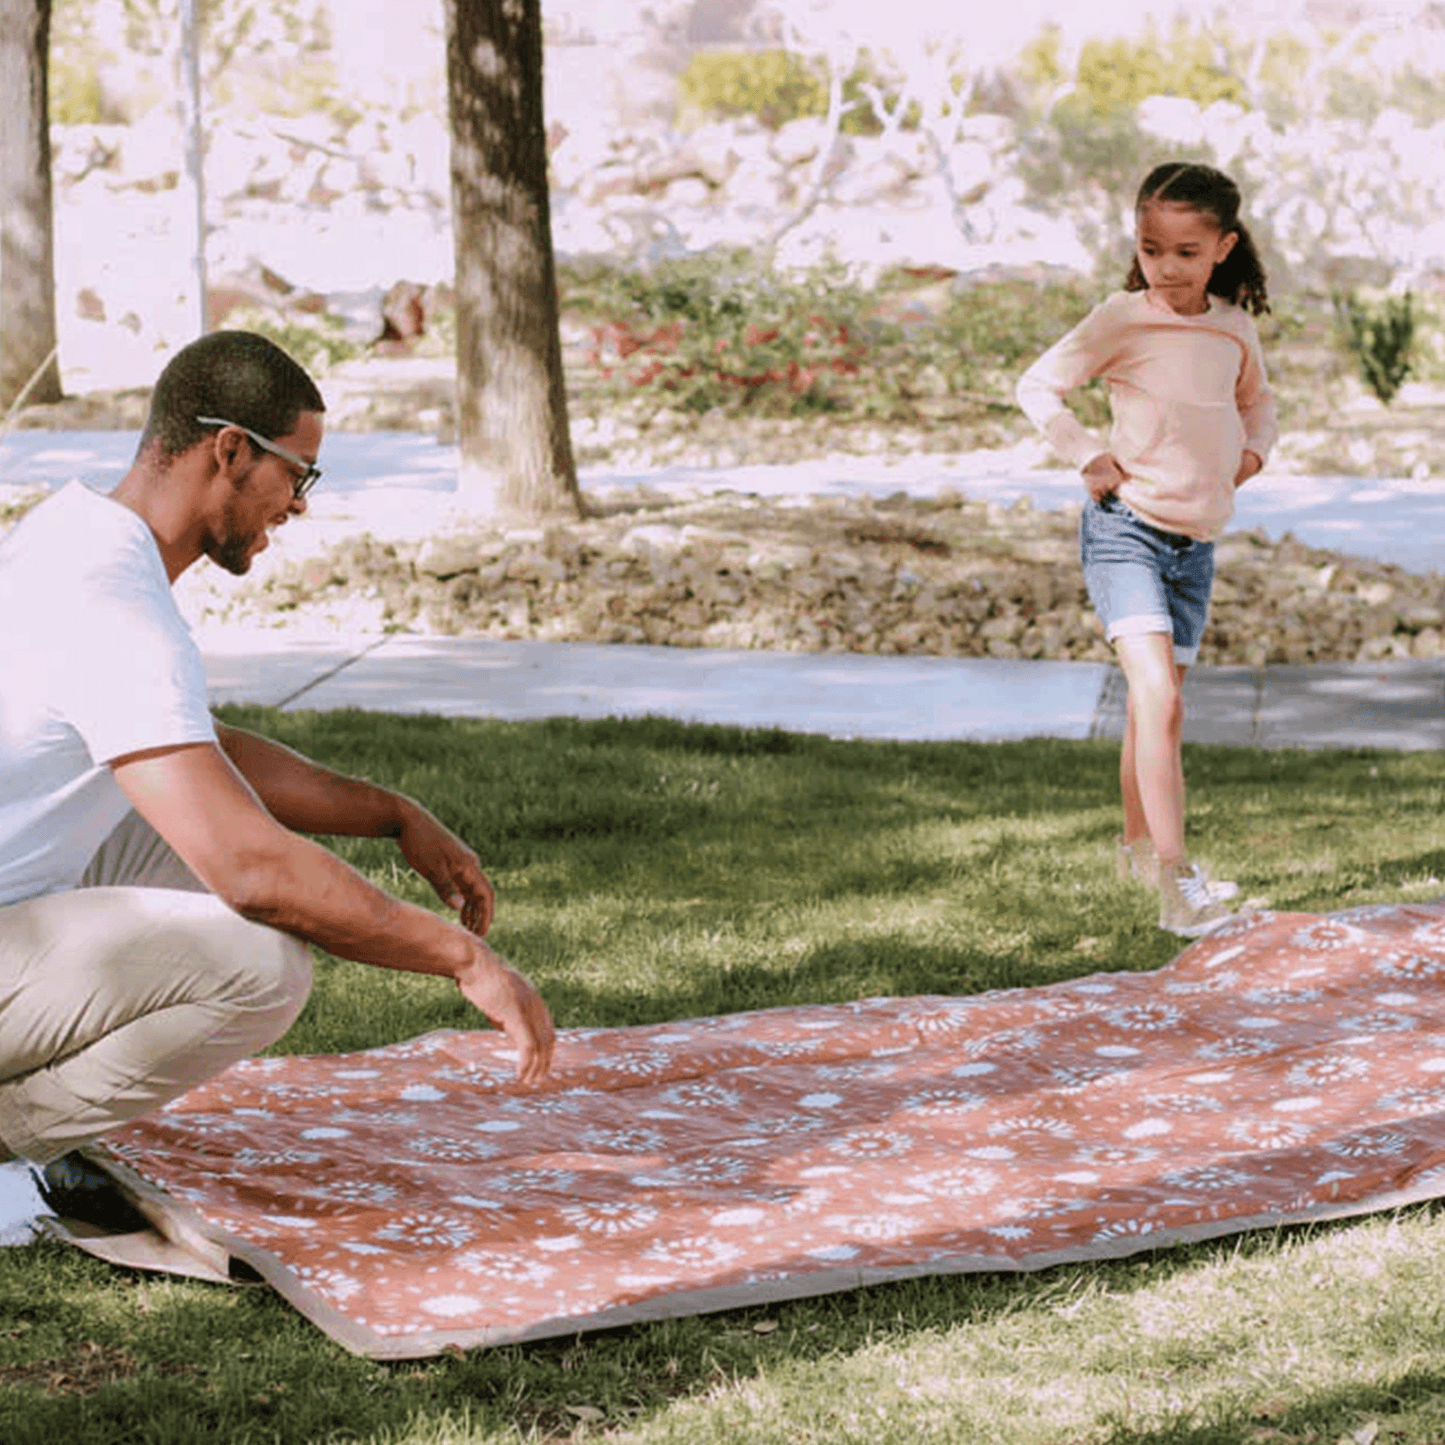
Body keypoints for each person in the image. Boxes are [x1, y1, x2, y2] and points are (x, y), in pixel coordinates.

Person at [0, 330, 556, 1224]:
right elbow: (253, 873)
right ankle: (15, 1142)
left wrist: (392, 813)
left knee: (193, 821)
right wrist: (462, 957)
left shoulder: (74, 534)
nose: (298, 505)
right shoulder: (112, 604)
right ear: (229, 449)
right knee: (259, 960)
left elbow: (203, 749)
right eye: (298, 475)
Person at [1016, 162, 1278, 937]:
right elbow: (1038, 385)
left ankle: (1137, 850)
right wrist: (1083, 454)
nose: (1166, 267)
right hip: (1124, 530)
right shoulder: (1120, 318)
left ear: (1222, 247)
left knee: (1152, 713)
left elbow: (1256, 403)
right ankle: (1174, 881)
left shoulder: (1232, 326)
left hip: (1192, 547)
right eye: (1150, 247)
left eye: (1185, 252)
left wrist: (1252, 456)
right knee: (1159, 698)